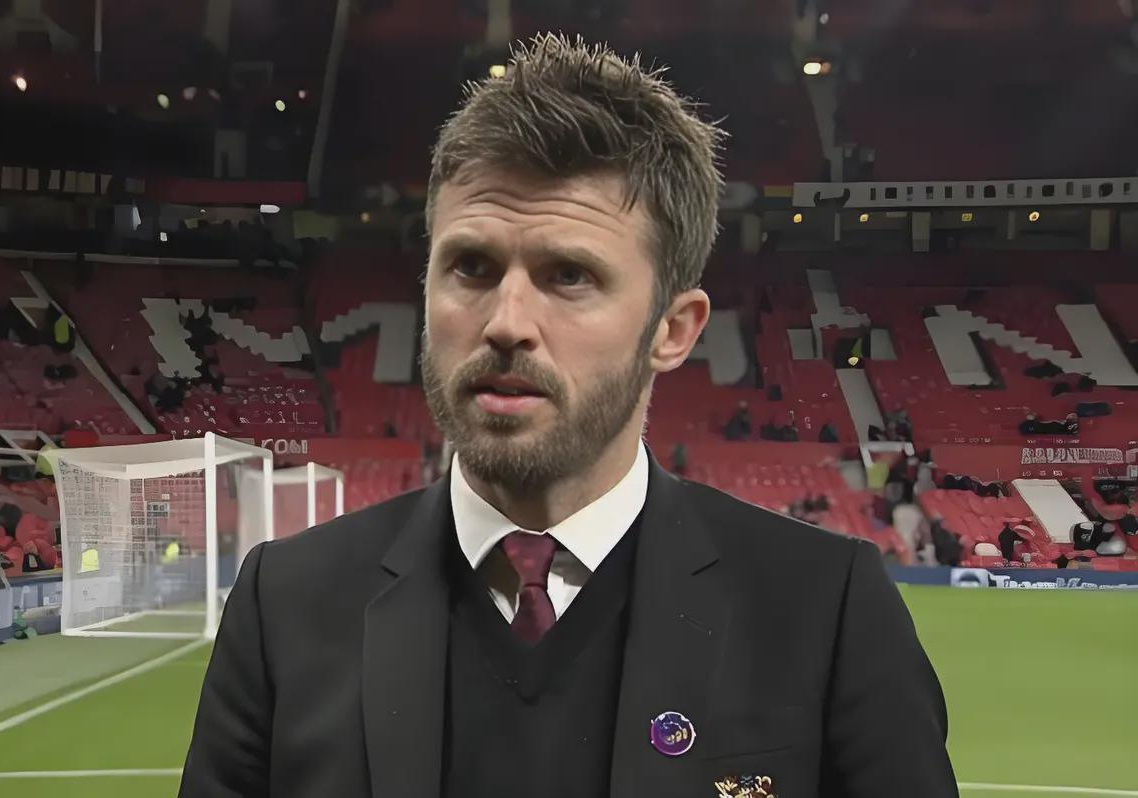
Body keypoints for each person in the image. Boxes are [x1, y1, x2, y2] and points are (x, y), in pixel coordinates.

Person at [180, 34, 956, 798]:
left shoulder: (825, 610)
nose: (506, 322)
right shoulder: (285, 606)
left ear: (672, 330)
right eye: (471, 267)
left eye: (570, 276)